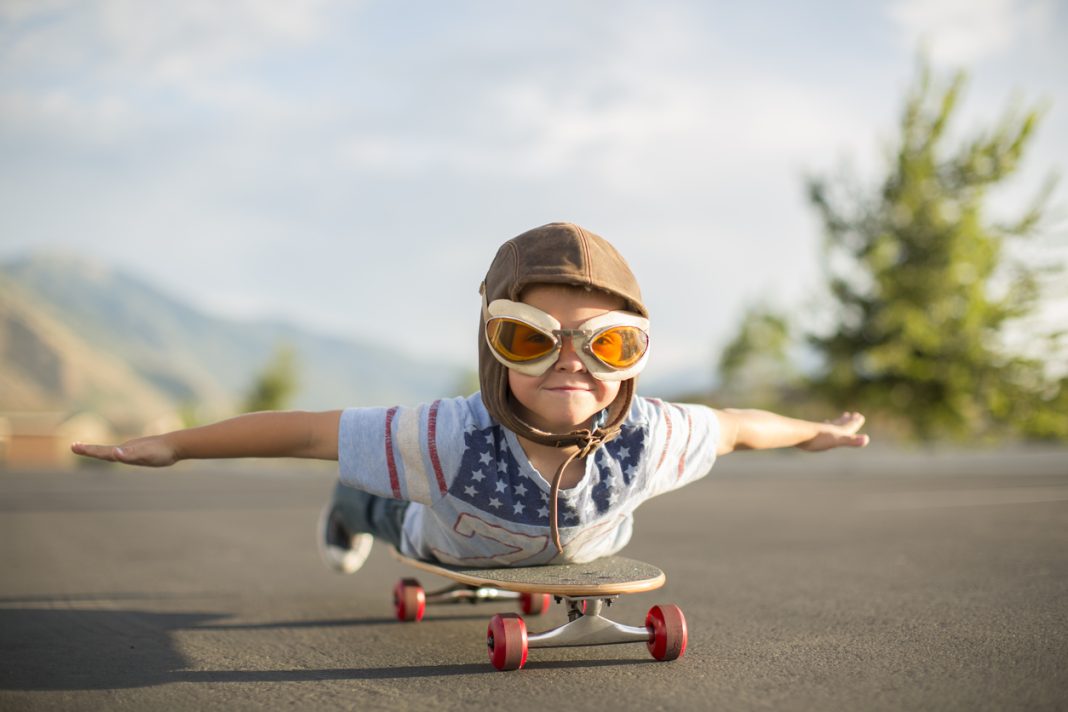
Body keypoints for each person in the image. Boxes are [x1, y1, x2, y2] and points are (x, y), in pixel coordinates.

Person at [72, 222, 868, 572]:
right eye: (529, 338)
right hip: (445, 540)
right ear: (492, 352)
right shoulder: (444, 437)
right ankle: (353, 508)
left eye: (609, 344)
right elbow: (309, 432)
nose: (572, 364)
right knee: (386, 508)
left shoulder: (652, 437)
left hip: (587, 549)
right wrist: (177, 445)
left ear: (635, 357)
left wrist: (812, 433)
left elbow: (736, 428)